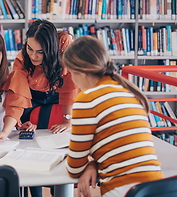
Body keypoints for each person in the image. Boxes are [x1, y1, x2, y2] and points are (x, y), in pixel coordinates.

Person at [63, 36, 163, 197]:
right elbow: (118, 146)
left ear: (80, 73)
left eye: (70, 74)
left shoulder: (87, 98)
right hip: (157, 185)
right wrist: (94, 164)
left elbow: (74, 168)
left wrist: (88, 165)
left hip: (125, 190)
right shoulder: (127, 91)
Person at [0, 19, 79, 197]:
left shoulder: (64, 45)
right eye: (30, 48)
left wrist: (67, 120)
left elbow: (70, 83)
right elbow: (17, 97)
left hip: (57, 92)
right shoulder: (22, 60)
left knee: (57, 143)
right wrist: (6, 131)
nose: (34, 56)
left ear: (52, 47)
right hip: (32, 96)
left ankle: (57, 188)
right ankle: (34, 191)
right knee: (27, 139)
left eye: (40, 52)